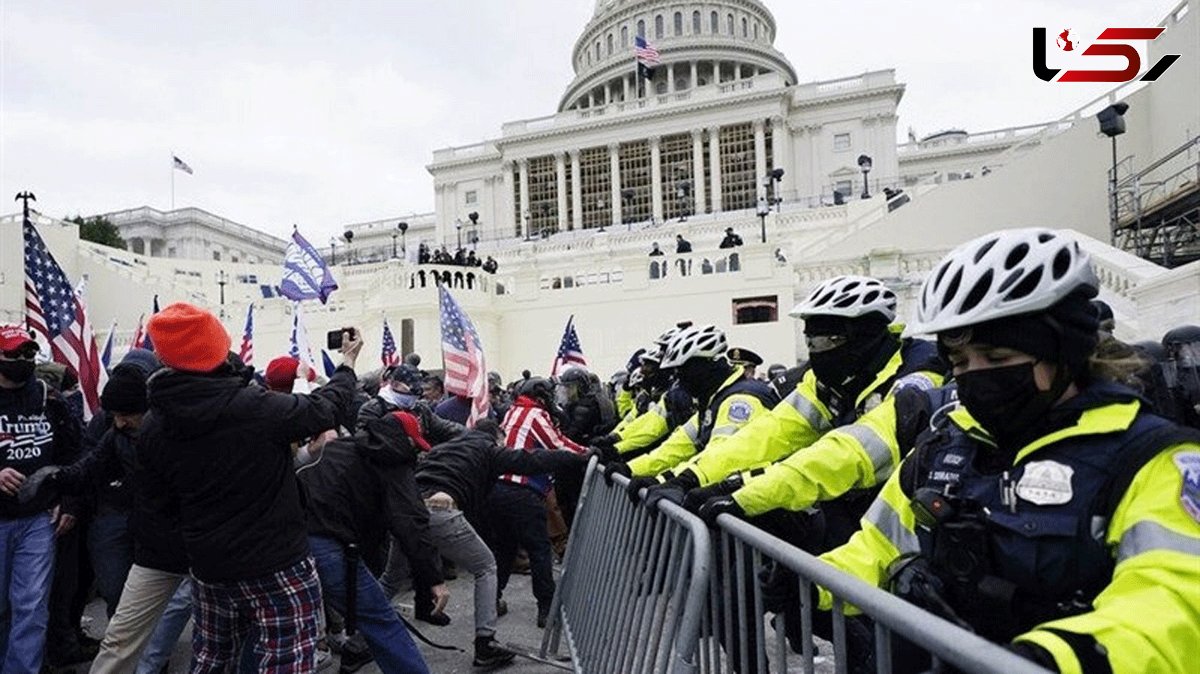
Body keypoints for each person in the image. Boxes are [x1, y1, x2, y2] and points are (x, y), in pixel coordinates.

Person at [812, 228, 1200, 673]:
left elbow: (1173, 601)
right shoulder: (945, 448)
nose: (975, 376)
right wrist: (813, 583)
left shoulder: (1153, 460)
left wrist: (1051, 659)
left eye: (996, 359)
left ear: (1062, 353)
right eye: (960, 364)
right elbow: (877, 547)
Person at [137, 304, 361, 672]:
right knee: (285, 662)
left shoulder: (153, 425)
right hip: (278, 564)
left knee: (212, 661)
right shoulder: (252, 406)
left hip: (210, 568)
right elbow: (324, 410)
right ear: (217, 348)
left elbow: (156, 504)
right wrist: (348, 364)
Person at [678, 275, 946, 550]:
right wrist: (692, 477)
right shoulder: (828, 381)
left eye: (823, 343)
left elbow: (854, 451)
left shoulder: (920, 374)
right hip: (852, 512)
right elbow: (771, 432)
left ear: (863, 336)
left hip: (915, 526)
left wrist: (749, 497)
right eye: (810, 343)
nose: (815, 354)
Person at [416, 419, 590, 666]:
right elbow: (532, 461)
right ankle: (485, 644)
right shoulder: (488, 450)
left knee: (392, 577)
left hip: (408, 509)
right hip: (441, 509)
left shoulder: (445, 447)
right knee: (486, 566)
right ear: (497, 437)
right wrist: (578, 458)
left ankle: (358, 637)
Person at [298, 411, 445, 674]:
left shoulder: (339, 448)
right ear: (404, 441)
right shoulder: (392, 460)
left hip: (289, 542)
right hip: (329, 547)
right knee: (382, 622)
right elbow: (411, 522)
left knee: (275, 627)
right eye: (415, 445)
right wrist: (434, 578)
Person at [0, 325, 80, 672]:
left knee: (31, 605)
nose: (23, 360)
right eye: (13, 354)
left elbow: (75, 454)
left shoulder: (50, 398)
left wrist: (70, 500)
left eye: (29, 354)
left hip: (38, 518)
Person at [489, 377, 590, 628]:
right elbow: (557, 445)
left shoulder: (512, 412)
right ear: (541, 396)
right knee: (539, 550)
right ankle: (546, 608)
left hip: (496, 488)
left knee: (504, 549)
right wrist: (587, 454)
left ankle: (492, 599)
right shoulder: (534, 414)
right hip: (523, 490)